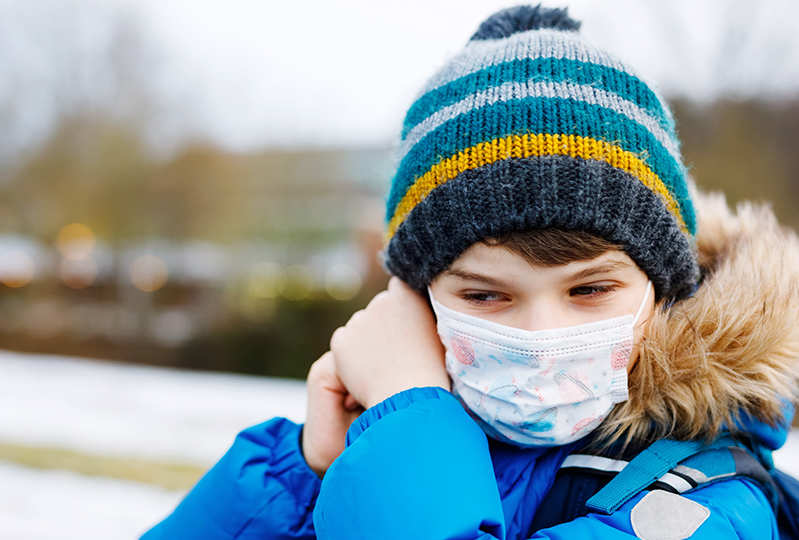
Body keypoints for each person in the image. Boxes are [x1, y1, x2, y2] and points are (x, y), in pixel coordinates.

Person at [141, 5, 799, 539]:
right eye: (485, 295)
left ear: (664, 287)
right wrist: (304, 473)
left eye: (591, 288)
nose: (541, 337)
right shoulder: (377, 441)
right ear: (416, 299)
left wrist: (404, 422)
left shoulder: (711, 503)